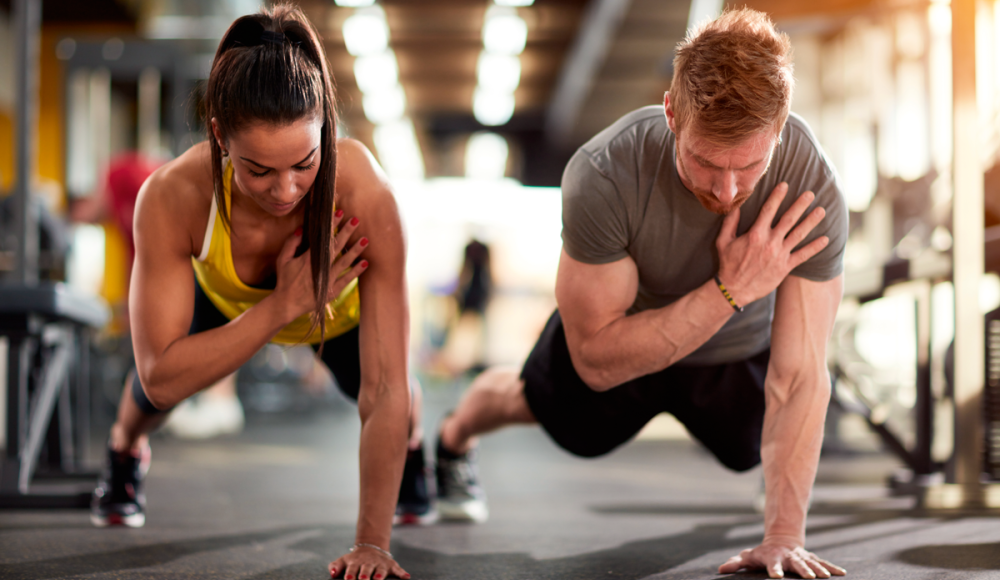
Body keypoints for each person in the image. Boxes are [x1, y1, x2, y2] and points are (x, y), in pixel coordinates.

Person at [435, 8, 848, 580]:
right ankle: (453, 438)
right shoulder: (604, 173)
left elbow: (800, 376)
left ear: (779, 130)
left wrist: (782, 535)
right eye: (705, 163)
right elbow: (598, 364)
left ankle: (773, 484)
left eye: (749, 165)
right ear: (672, 114)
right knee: (528, 403)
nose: (726, 191)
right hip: (628, 340)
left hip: (732, 353)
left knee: (758, 442)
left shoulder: (811, 183)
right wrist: (730, 290)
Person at [89, 6, 426, 580]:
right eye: (258, 170)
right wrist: (283, 305)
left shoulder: (367, 193)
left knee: (400, 397)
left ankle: (414, 457)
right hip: (230, 302)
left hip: (336, 316)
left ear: (324, 127)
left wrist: (374, 542)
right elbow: (161, 376)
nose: (286, 189)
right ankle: (124, 453)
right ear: (219, 134)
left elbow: (387, 385)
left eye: (303, 164)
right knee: (145, 402)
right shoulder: (174, 195)